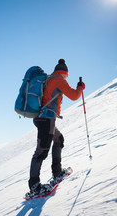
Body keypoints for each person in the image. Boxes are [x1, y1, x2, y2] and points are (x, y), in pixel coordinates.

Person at [28, 59, 85, 196]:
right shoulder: (59, 80)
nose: (66, 77)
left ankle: (57, 172)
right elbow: (74, 95)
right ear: (64, 73)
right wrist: (80, 88)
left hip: (42, 118)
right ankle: (35, 187)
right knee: (41, 152)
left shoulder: (48, 79)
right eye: (66, 75)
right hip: (46, 119)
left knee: (59, 139)